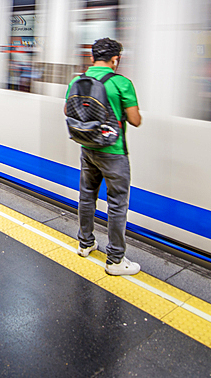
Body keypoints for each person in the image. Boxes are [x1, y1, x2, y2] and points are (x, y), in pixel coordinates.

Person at [66, 37, 142, 276]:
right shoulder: (121, 83)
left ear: (91, 58)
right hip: (114, 152)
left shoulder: (77, 81)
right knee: (117, 204)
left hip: (87, 149)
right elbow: (135, 120)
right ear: (115, 60)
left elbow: (68, 111)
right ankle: (115, 260)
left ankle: (85, 243)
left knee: (87, 196)